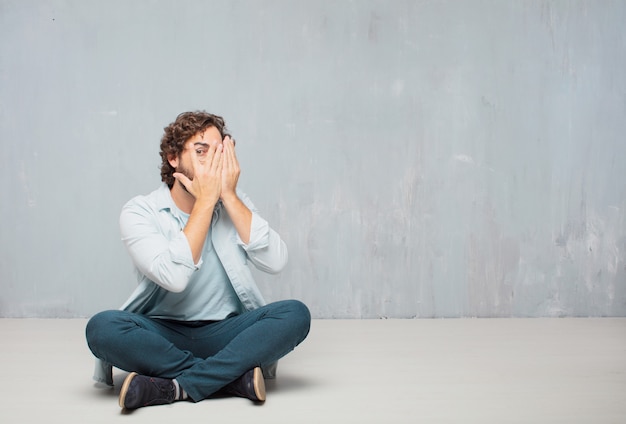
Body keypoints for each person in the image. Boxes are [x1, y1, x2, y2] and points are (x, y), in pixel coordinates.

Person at [85, 111, 310, 410]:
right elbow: (175, 278)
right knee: (102, 328)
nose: (212, 162)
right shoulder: (140, 211)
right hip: (162, 334)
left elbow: (276, 261)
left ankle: (175, 387)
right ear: (173, 158)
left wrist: (227, 195)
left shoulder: (234, 201)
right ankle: (229, 379)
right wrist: (204, 202)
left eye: (219, 153)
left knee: (295, 314)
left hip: (227, 334)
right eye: (201, 152)